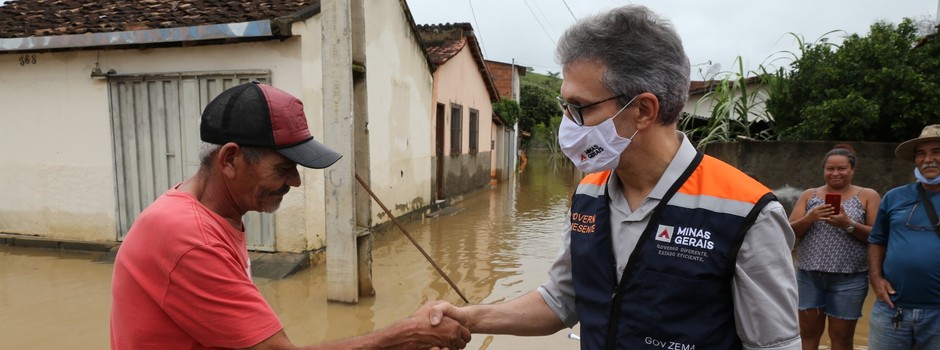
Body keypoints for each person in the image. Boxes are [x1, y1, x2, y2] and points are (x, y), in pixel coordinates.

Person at [429, 5, 801, 349]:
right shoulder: (589, 193)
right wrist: (469, 318)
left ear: (642, 110)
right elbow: (563, 300)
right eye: (565, 106)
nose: (568, 124)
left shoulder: (746, 213)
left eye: (579, 108)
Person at [110, 82, 470, 349]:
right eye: (283, 168)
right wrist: (408, 333)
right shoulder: (189, 236)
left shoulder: (212, 212)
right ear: (231, 160)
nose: (295, 182)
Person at [788, 145, 880, 350]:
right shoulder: (809, 195)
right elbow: (789, 232)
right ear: (823, 170)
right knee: (807, 335)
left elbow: (878, 236)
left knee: (842, 338)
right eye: (830, 168)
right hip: (809, 276)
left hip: (850, 278)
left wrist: (848, 224)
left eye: (842, 168)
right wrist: (811, 217)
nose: (835, 173)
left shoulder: (867, 195)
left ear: (852, 170)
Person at [868, 124, 940, 349]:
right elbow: (877, 241)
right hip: (891, 307)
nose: (929, 159)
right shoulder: (894, 197)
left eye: (937, 151)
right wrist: (876, 279)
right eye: (921, 153)